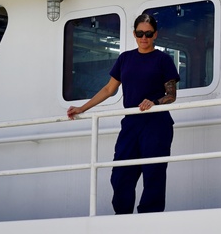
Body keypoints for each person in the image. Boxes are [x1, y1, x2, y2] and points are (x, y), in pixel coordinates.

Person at [67, 13, 180, 214]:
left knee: (153, 174)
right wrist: (82, 108)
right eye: (139, 33)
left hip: (157, 124)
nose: (143, 38)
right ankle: (123, 217)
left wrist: (154, 102)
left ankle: (149, 218)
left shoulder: (163, 60)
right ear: (134, 34)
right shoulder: (125, 58)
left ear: (155, 35)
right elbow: (109, 89)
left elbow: (171, 95)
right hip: (131, 123)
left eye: (148, 33)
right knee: (120, 175)